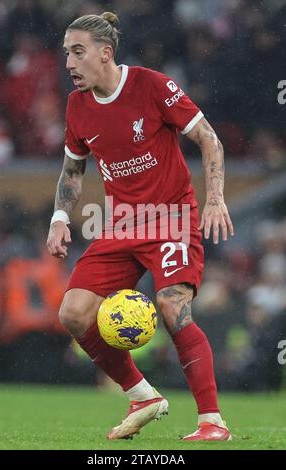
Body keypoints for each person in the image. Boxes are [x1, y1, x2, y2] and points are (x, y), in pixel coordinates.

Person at [47, 11, 234, 441]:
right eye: (66, 55)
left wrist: (216, 197)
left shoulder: (152, 86)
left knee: (172, 307)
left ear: (106, 52)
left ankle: (212, 422)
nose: (70, 64)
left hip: (172, 218)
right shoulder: (77, 107)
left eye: (78, 52)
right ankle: (142, 395)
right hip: (122, 225)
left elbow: (208, 137)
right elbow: (72, 171)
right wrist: (59, 219)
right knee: (73, 313)